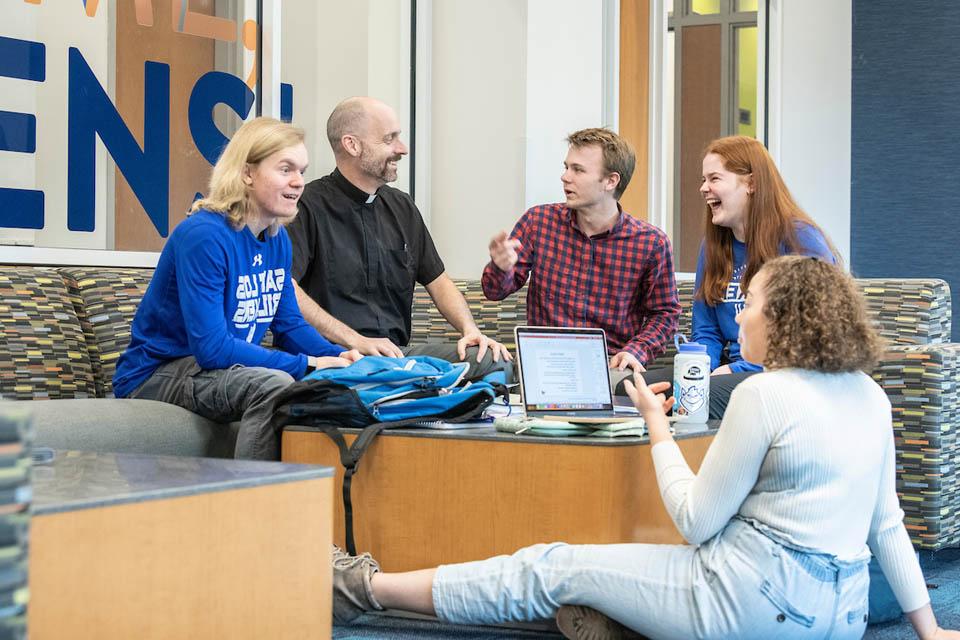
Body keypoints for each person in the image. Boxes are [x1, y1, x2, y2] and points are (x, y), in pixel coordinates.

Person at [330, 256, 959, 640]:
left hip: (752, 605)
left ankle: (365, 588)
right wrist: (928, 630)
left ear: (787, 320)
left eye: (752, 306)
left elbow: (695, 523)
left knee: (555, 564)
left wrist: (657, 425)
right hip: (840, 620)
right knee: (619, 573)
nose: (739, 319)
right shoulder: (868, 394)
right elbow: (888, 526)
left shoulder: (765, 396)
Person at [113, 117, 361, 460]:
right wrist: (307, 364)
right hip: (155, 375)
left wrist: (341, 359)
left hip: (219, 371)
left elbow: (289, 326)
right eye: (285, 169)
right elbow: (211, 349)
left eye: (301, 171)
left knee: (343, 383)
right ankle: (253, 507)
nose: (298, 182)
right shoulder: (204, 236)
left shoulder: (277, 239)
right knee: (274, 386)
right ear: (247, 173)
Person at [286, 97, 511, 381]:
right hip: (336, 357)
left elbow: (438, 281)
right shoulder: (305, 206)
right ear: (352, 145)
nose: (402, 149)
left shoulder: (402, 207)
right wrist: (355, 340)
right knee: (366, 374)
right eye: (389, 139)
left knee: (493, 360)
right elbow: (285, 287)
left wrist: (471, 331)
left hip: (398, 356)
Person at [644, 134, 839, 418]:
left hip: (784, 373)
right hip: (729, 368)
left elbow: (812, 334)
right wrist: (701, 369)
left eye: (714, 179)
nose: (703, 188)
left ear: (751, 183)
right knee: (634, 390)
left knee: (695, 401)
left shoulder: (800, 239)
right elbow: (706, 330)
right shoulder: (713, 246)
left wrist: (736, 370)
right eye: (703, 180)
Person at [482, 128, 680, 389]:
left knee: (625, 388)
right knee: (488, 374)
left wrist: (636, 351)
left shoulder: (650, 243)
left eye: (578, 170)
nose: (565, 177)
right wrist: (500, 267)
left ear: (610, 181)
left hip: (608, 367)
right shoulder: (538, 222)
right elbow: (494, 292)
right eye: (566, 167)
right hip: (543, 363)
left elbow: (665, 314)